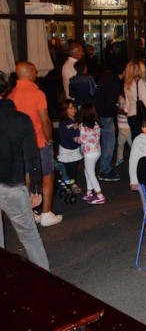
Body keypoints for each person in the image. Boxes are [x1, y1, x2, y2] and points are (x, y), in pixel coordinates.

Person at [0, 70, 50, 270]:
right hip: (12, 185)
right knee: (30, 238)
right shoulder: (20, 119)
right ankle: (46, 284)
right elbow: (32, 157)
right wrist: (35, 188)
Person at [8, 62, 62, 227]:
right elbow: (44, 119)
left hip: (19, 144)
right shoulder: (37, 93)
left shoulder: (11, 94)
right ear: (30, 72)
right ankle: (46, 214)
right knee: (47, 175)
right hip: (38, 141)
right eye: (35, 70)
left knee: (26, 179)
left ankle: (30, 214)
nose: (37, 73)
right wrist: (50, 139)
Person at [93, 65, 123, 181]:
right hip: (105, 114)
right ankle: (104, 170)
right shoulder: (115, 81)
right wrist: (120, 111)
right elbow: (110, 103)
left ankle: (100, 168)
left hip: (98, 112)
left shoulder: (107, 77)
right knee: (109, 142)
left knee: (102, 141)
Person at [77, 103, 106, 205]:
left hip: (89, 153)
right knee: (87, 171)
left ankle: (99, 195)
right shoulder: (97, 124)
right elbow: (97, 138)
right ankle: (89, 192)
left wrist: (76, 139)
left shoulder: (82, 126)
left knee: (91, 173)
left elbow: (83, 140)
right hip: (97, 151)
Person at [124, 59, 146, 139]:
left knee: (136, 142)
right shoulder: (141, 82)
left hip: (131, 116)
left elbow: (127, 103)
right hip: (141, 117)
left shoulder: (127, 83)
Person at [57, 100, 83, 194]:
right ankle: (65, 184)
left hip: (75, 149)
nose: (74, 110)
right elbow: (65, 136)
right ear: (65, 110)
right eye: (71, 108)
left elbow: (80, 133)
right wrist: (73, 129)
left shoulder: (76, 120)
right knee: (66, 169)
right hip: (66, 149)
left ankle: (73, 183)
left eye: (74, 107)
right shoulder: (64, 122)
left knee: (74, 168)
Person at [115, 91, 132, 166]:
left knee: (131, 144)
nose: (119, 100)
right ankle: (119, 158)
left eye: (120, 98)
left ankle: (135, 158)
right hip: (120, 129)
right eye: (118, 98)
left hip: (127, 129)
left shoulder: (127, 106)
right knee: (120, 144)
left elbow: (126, 113)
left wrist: (121, 111)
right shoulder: (118, 105)